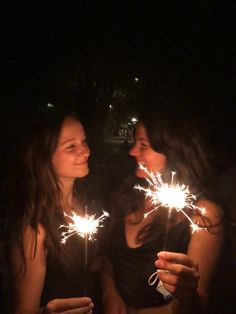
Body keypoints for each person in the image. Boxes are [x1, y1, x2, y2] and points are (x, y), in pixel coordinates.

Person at [101, 105, 224, 314]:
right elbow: (109, 261)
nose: (132, 151)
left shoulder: (202, 214)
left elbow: (198, 301)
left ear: (172, 149)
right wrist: (109, 293)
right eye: (134, 143)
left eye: (143, 145)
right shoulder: (128, 197)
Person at [8, 106, 104, 314]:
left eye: (84, 141)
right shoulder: (35, 230)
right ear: (43, 157)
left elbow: (84, 264)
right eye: (71, 146)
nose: (85, 151)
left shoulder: (86, 201)